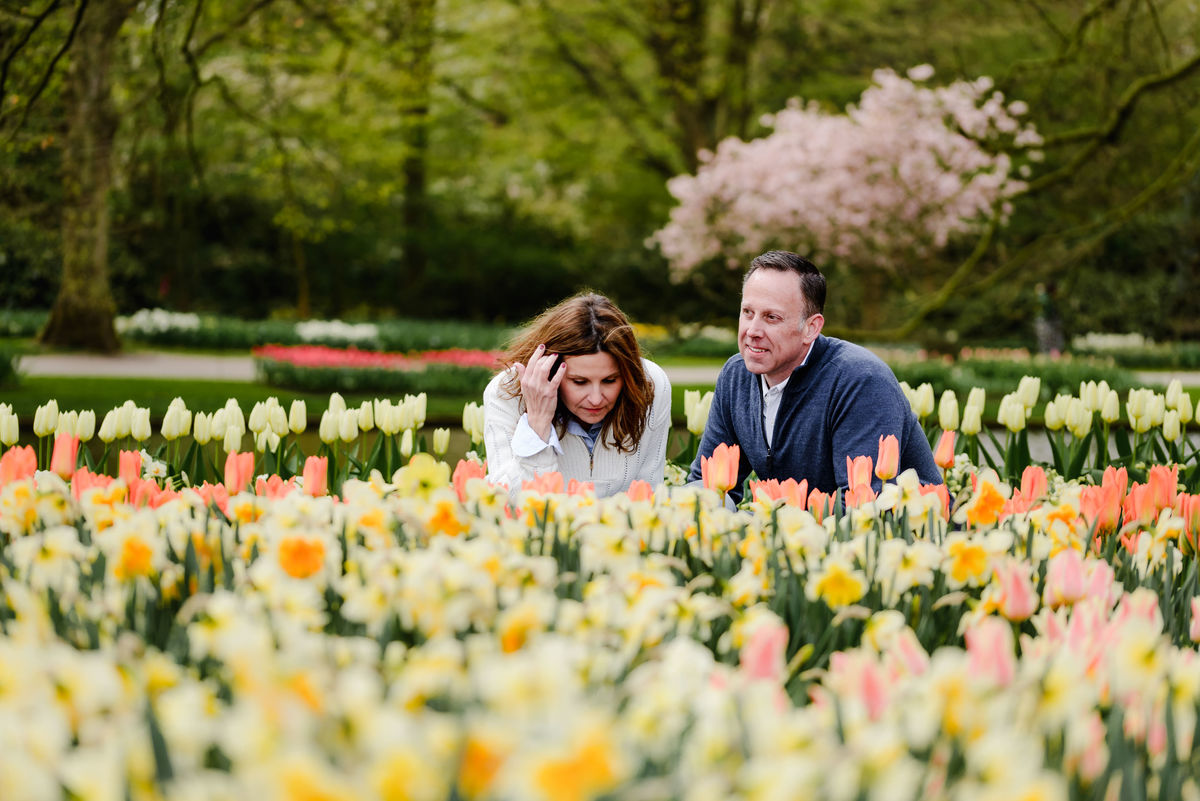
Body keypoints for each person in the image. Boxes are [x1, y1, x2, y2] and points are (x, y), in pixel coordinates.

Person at [688, 250, 941, 502]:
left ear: (811, 328)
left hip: (909, 532)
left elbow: (862, 504)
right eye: (747, 312)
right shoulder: (736, 377)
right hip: (793, 531)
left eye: (771, 317)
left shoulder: (860, 380)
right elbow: (706, 486)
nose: (752, 330)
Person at [483, 292, 672, 497]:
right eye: (579, 382)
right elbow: (507, 501)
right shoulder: (507, 393)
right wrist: (537, 424)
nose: (596, 399)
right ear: (552, 371)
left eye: (610, 380)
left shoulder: (649, 384)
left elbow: (649, 492)